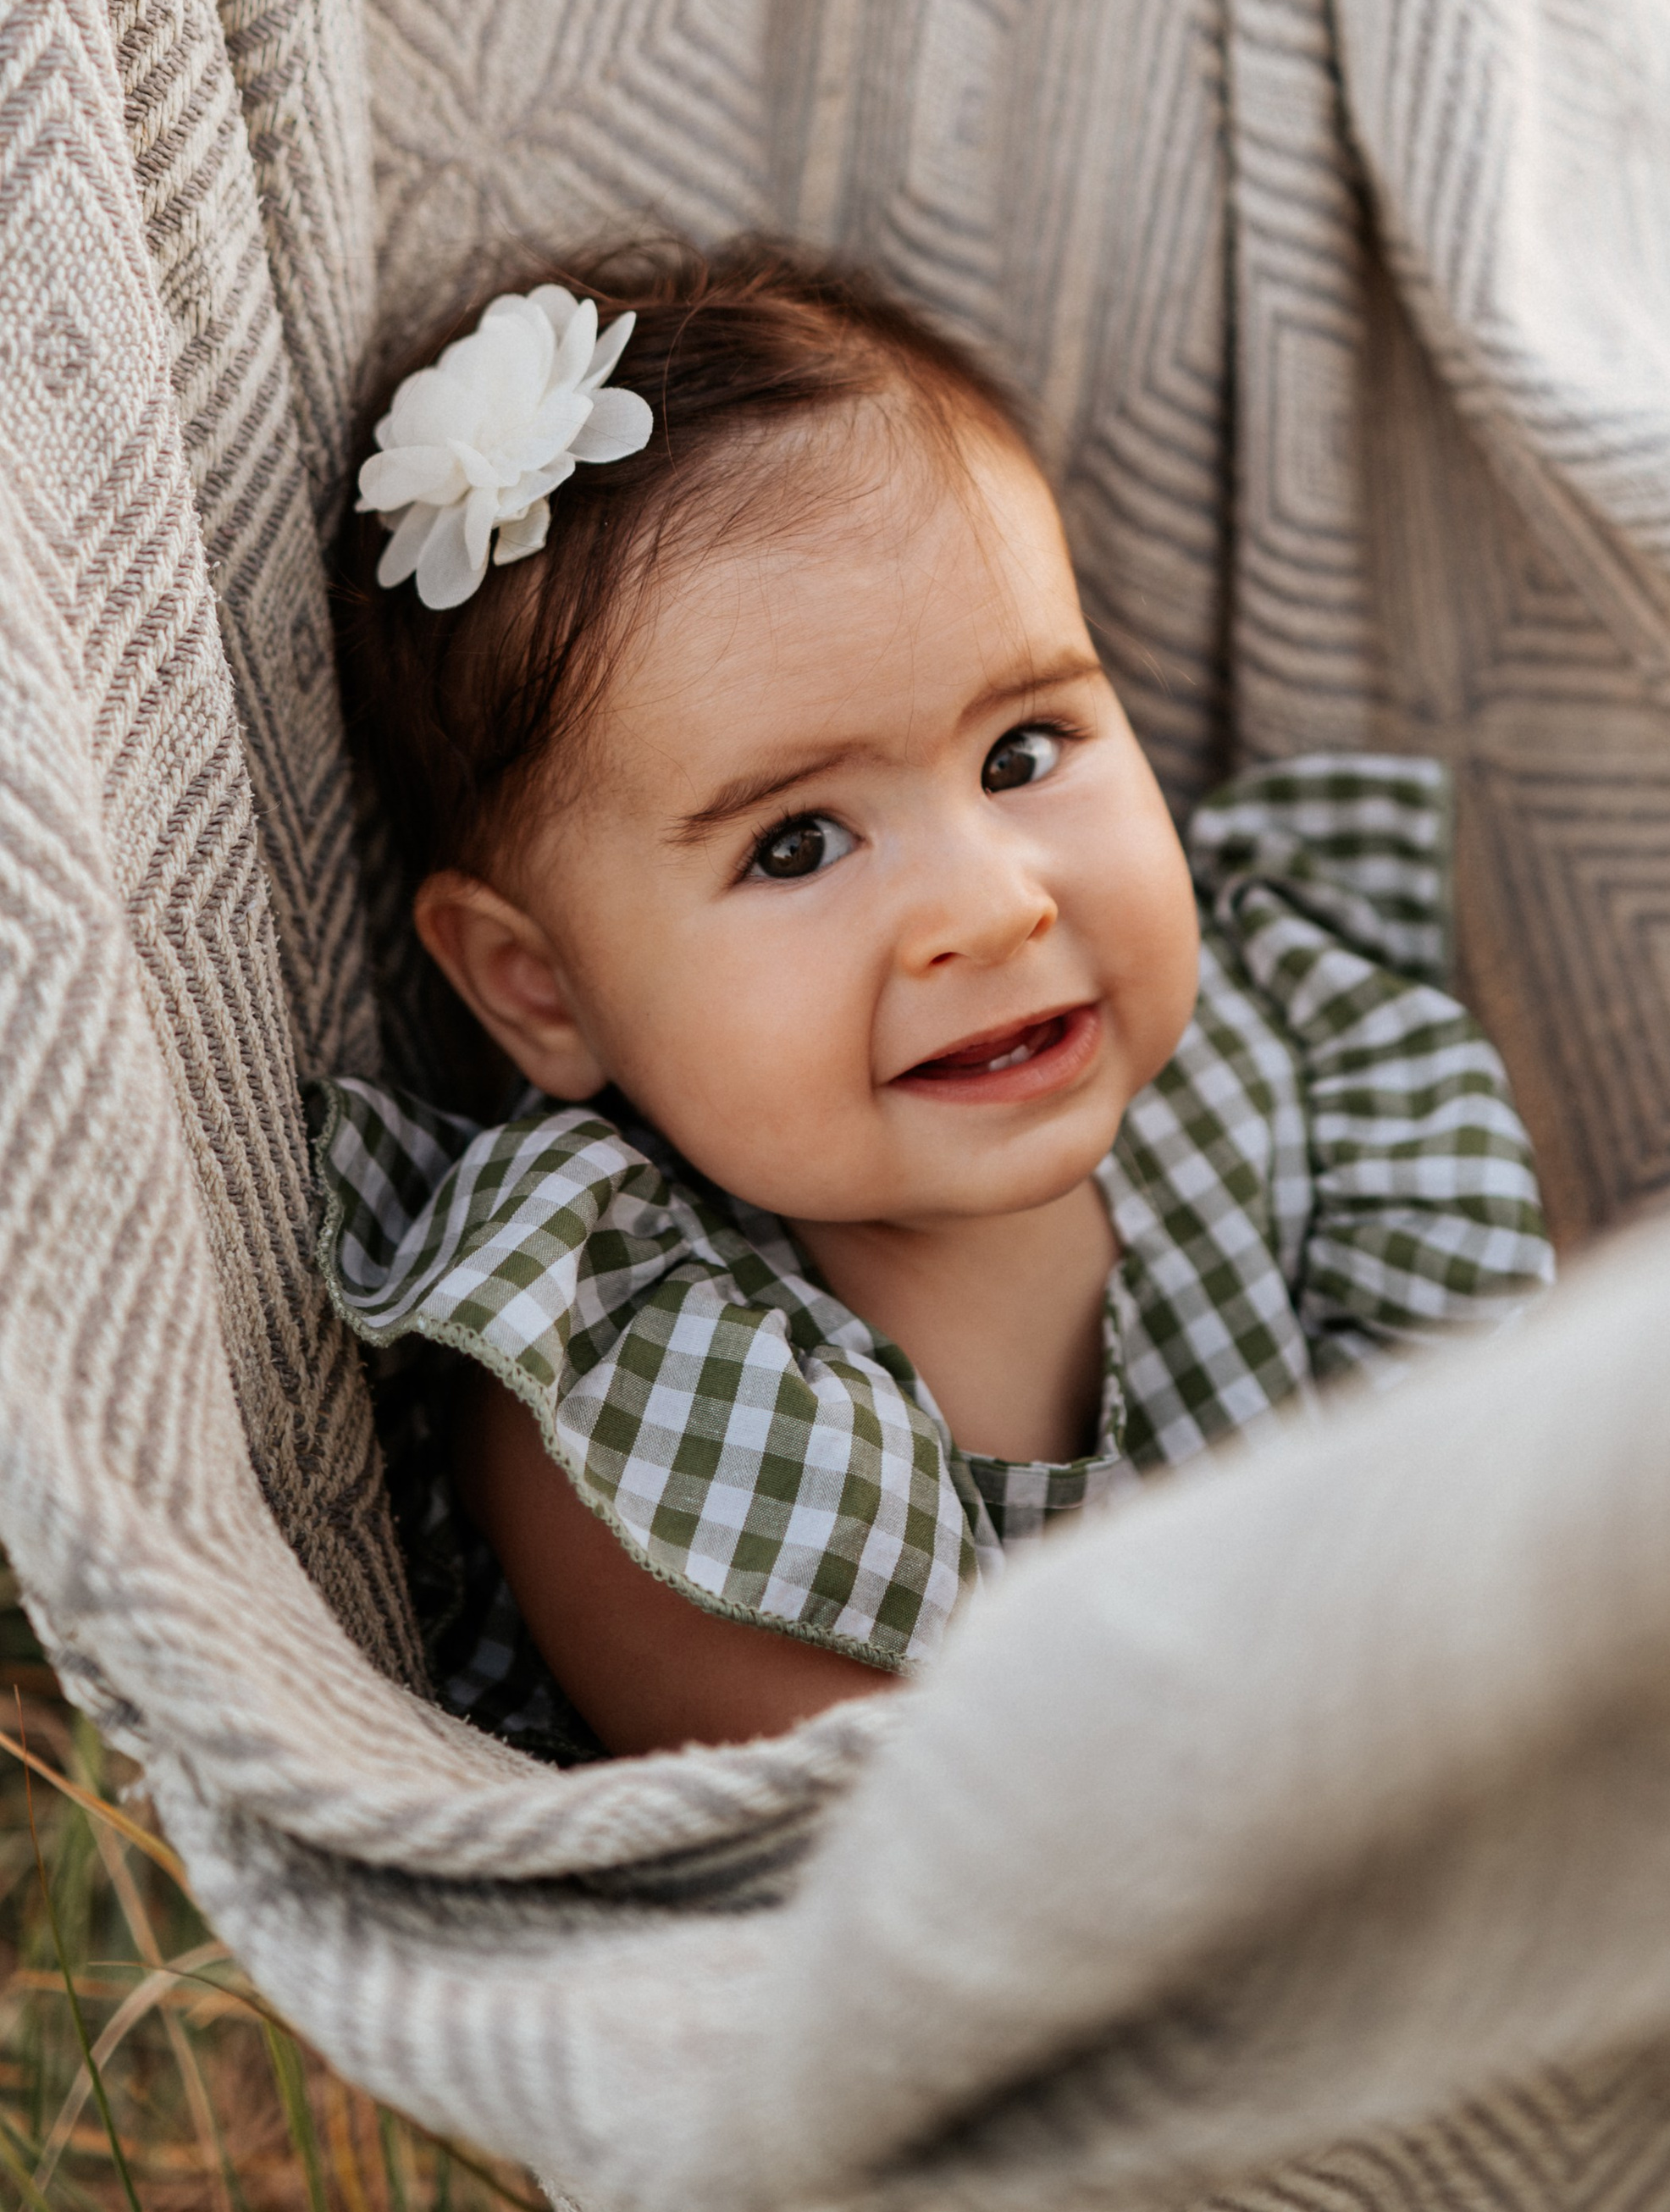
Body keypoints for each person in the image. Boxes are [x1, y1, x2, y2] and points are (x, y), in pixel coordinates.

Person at [316, 237, 1550, 1761]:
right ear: (538, 986)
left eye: (1023, 752)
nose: (992, 903)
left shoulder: (1297, 1060)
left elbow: (1526, 1478)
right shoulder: (619, 1377)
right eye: (798, 843)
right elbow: (926, 1855)